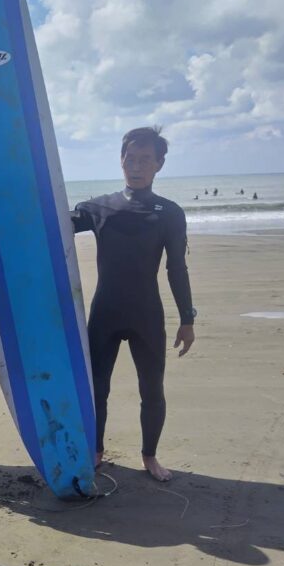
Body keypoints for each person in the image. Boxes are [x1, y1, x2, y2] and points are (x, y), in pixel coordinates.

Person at [71, 126, 195, 482]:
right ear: (121, 159)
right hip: (105, 312)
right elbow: (49, 227)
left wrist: (187, 318)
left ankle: (149, 456)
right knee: (97, 387)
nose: (136, 166)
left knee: (152, 389)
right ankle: (95, 450)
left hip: (147, 314)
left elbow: (176, 267)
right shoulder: (98, 207)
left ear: (159, 164)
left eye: (145, 159)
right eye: (130, 158)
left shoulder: (170, 213)